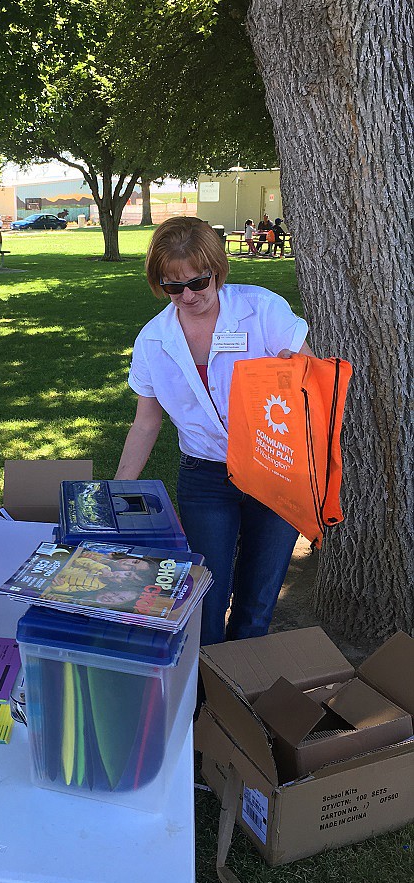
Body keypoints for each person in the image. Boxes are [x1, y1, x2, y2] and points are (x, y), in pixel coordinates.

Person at [114, 217, 314, 646]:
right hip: (205, 476)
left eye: (198, 282)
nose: (187, 296)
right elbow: (146, 422)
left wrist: (292, 368)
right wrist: (119, 490)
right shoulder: (153, 340)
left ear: (217, 271)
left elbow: (309, 374)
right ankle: (204, 698)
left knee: (256, 603)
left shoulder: (261, 308)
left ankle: (238, 700)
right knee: (204, 597)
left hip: (274, 468)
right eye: (173, 287)